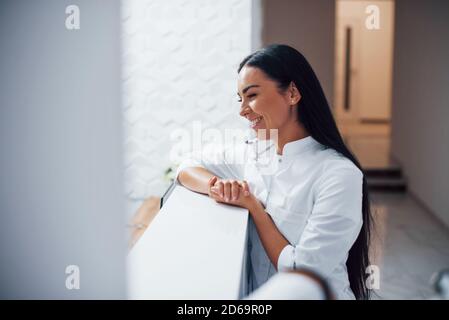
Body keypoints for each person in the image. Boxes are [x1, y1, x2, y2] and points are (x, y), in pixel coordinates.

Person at [176, 44, 372, 299]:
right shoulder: (253, 153)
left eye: (252, 95)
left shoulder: (339, 175)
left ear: (292, 93)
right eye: (240, 99)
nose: (242, 109)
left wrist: (255, 208)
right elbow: (186, 166)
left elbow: (301, 271)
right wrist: (217, 186)